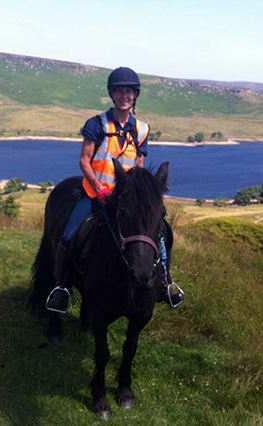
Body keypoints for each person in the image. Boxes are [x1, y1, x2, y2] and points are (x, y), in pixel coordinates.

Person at [45, 66, 184, 313]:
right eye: (119, 91)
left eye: (129, 91)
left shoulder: (141, 129)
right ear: (112, 94)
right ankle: (62, 288)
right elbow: (84, 160)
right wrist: (98, 188)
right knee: (68, 236)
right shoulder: (96, 124)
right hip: (95, 194)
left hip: (125, 199)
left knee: (162, 232)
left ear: (135, 95)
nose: (124, 96)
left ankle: (165, 284)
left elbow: (139, 165)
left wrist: (140, 193)